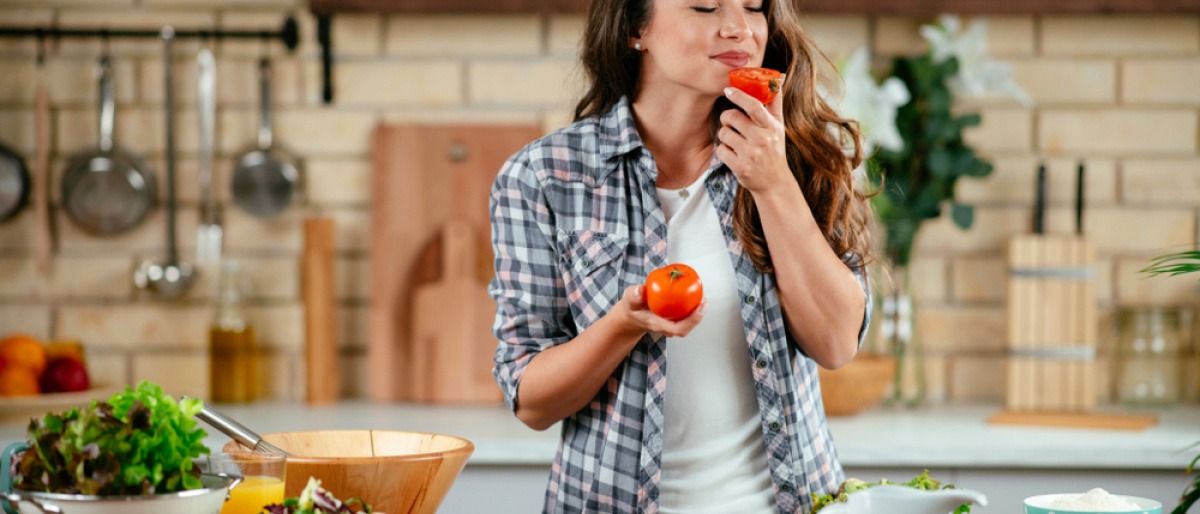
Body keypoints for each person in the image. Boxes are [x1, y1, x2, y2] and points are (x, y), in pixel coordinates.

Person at [488, 0, 874, 511]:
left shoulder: (800, 156)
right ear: (634, 29)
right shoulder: (544, 177)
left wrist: (773, 182)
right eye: (704, 6)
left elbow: (836, 343)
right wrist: (624, 324)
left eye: (754, 7)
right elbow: (531, 401)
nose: (738, 27)